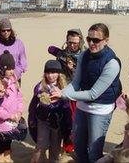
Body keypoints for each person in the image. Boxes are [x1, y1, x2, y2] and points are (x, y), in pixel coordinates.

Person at [51, 23, 121, 162]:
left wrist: (63, 95)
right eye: (89, 39)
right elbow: (76, 83)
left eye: (96, 40)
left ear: (106, 40)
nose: (91, 43)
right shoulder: (83, 56)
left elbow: (93, 94)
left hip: (100, 109)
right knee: (78, 146)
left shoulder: (112, 63)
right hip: (82, 106)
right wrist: (61, 92)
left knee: (94, 151)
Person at [48, 28, 86, 153]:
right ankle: (65, 146)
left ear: (80, 41)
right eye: (70, 42)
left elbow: (86, 76)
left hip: (77, 93)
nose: (72, 45)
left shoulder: (86, 56)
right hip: (62, 90)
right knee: (62, 119)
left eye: (75, 42)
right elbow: (50, 48)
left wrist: (74, 68)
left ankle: (72, 146)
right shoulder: (63, 54)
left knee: (75, 121)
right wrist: (61, 53)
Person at [0, 50, 24, 162]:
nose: (12, 71)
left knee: (9, 140)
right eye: (9, 69)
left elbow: (19, 98)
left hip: (13, 118)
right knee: (1, 142)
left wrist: (19, 112)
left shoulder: (14, 81)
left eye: (13, 68)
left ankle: (7, 156)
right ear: (2, 69)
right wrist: (8, 116)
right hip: (1, 121)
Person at [28, 60, 71, 162]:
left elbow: (67, 107)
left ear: (59, 73)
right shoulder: (39, 87)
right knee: (41, 145)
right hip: (43, 120)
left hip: (58, 122)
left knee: (55, 147)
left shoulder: (64, 88)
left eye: (53, 72)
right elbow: (33, 104)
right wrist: (31, 118)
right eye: (48, 72)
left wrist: (69, 124)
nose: (51, 76)